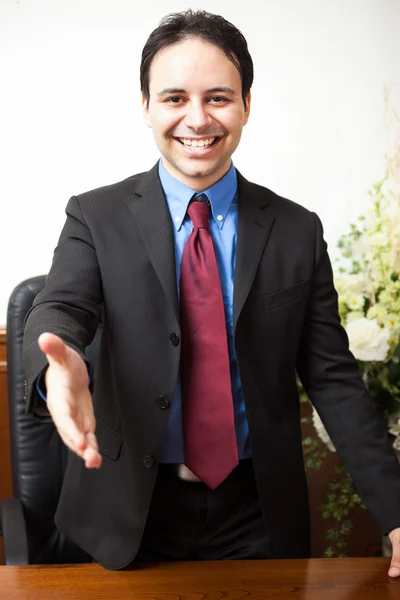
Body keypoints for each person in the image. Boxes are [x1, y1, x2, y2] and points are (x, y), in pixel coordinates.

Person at [23, 9, 400, 574]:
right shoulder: (95, 215)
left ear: (247, 104)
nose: (196, 119)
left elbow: (332, 376)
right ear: (145, 106)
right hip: (126, 513)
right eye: (174, 98)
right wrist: (62, 365)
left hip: (258, 514)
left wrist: (395, 511)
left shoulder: (298, 231)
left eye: (218, 97)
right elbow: (62, 307)